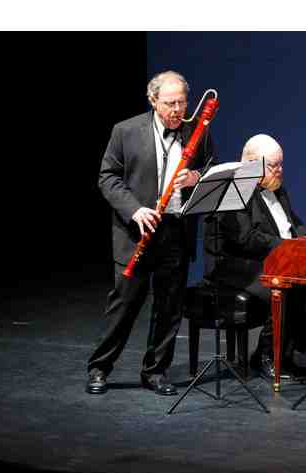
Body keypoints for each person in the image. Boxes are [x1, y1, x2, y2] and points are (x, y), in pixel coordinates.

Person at [86, 70, 214, 396]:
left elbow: (210, 169)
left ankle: (156, 371)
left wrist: (195, 177)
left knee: (169, 306)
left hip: (177, 229)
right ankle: (99, 367)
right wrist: (134, 209)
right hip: (138, 230)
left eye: (182, 102)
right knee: (125, 305)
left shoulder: (197, 131)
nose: (178, 110)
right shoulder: (125, 131)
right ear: (153, 100)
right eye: (170, 103)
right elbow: (107, 177)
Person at [203, 134, 306, 381]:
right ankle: (266, 356)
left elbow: (293, 223)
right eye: (274, 165)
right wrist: (288, 246)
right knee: (288, 286)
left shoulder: (276, 188)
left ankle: (288, 352)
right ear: (252, 164)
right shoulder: (233, 191)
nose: (280, 170)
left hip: (271, 258)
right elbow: (246, 238)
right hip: (235, 266)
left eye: (281, 164)